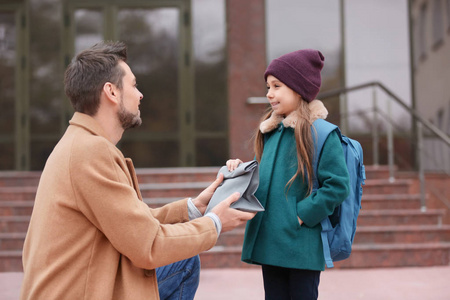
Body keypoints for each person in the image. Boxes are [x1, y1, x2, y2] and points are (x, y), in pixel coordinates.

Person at [20, 41, 256, 300]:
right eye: (133, 85)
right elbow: (149, 245)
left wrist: (195, 208)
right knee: (184, 262)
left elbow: (131, 225)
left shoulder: (79, 143)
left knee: (183, 262)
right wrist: (215, 223)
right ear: (111, 91)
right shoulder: (91, 152)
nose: (140, 94)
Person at [226, 49, 350, 300]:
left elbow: (337, 186)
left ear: (298, 88)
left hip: (300, 244)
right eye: (268, 87)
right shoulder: (271, 133)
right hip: (270, 243)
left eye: (277, 85)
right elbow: (261, 175)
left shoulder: (321, 133)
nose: (269, 93)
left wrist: (302, 215)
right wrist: (240, 170)